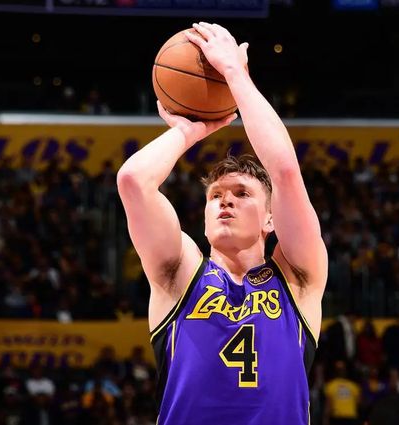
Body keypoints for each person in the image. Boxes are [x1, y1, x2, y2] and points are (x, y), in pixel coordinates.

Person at [116, 22, 328, 425]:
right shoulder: (180, 274)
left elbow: (284, 170)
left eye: (242, 194)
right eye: (215, 196)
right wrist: (187, 131)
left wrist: (234, 73)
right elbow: (133, 181)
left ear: (271, 218)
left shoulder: (297, 277)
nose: (225, 200)